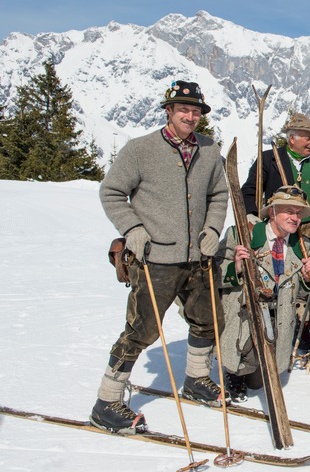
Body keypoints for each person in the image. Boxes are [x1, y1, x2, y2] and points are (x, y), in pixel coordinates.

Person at [92, 80, 229, 433]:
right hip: (155, 258)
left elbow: (218, 195)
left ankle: (197, 379)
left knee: (209, 319)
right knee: (141, 331)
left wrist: (212, 230)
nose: (190, 115)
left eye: (196, 110)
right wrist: (133, 229)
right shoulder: (141, 150)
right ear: (168, 111)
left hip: (198, 257)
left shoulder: (209, 149)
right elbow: (112, 193)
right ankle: (107, 402)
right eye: (183, 109)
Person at [217, 186, 310, 402]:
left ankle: (252, 365)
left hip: (278, 318)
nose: (295, 218)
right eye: (289, 211)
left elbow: (300, 295)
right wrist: (235, 267)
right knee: (244, 360)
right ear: (272, 212)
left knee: (258, 382)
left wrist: (308, 280)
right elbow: (213, 274)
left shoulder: (303, 245)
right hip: (245, 313)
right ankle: (234, 370)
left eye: (298, 213)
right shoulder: (241, 234)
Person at [241, 112, 310, 239]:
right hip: (280, 228)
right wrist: (251, 215)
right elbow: (249, 191)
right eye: (308, 138)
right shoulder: (269, 160)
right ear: (292, 139)